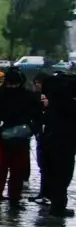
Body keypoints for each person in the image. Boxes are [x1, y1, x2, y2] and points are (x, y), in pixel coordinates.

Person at [0, 67, 41, 206]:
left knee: (17, 170)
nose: (12, 86)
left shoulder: (28, 96)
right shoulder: (0, 93)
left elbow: (37, 116)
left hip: (20, 137)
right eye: (9, 83)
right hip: (1, 136)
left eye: (14, 84)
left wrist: (32, 129)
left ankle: (14, 197)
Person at [38, 72, 76, 217]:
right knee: (63, 174)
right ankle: (58, 206)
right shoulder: (68, 103)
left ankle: (55, 202)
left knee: (52, 172)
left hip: (50, 140)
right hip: (64, 143)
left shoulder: (52, 103)